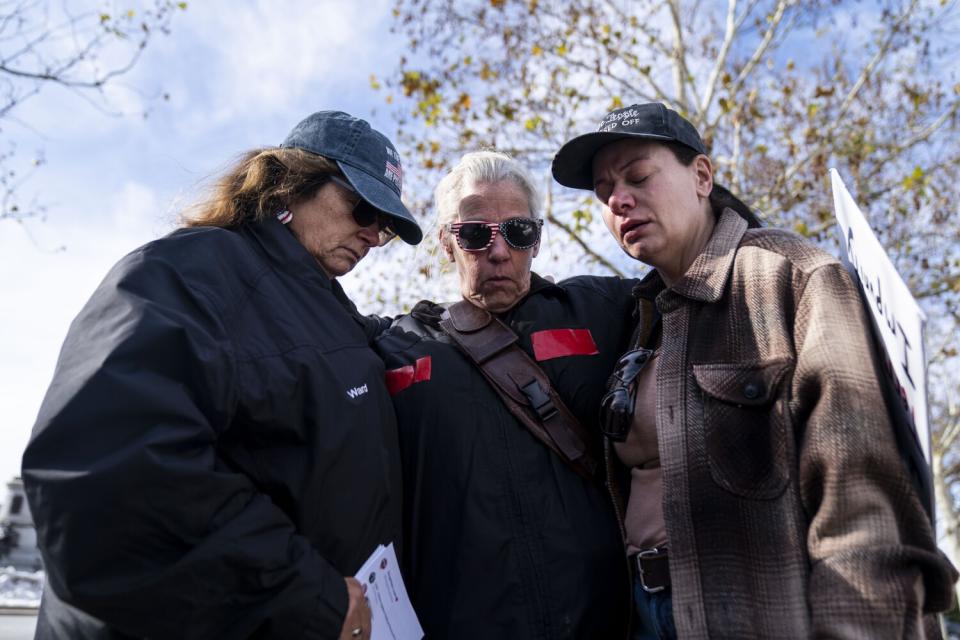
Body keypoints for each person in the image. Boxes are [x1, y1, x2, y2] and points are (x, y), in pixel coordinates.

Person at [551, 102, 958, 639]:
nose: (618, 200)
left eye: (638, 176)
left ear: (701, 175)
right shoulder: (638, 318)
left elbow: (864, 499)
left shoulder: (795, 277)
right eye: (604, 193)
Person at [21, 110, 423, 640]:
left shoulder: (330, 312)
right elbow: (105, 479)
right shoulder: (190, 274)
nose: (373, 235)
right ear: (289, 181)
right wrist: (307, 596)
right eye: (363, 209)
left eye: (386, 227)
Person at [372, 151, 634, 639]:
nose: (498, 252)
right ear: (447, 244)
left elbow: (703, 273)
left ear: (536, 239)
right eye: (475, 233)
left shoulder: (605, 309)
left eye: (517, 232)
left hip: (607, 621)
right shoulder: (394, 347)